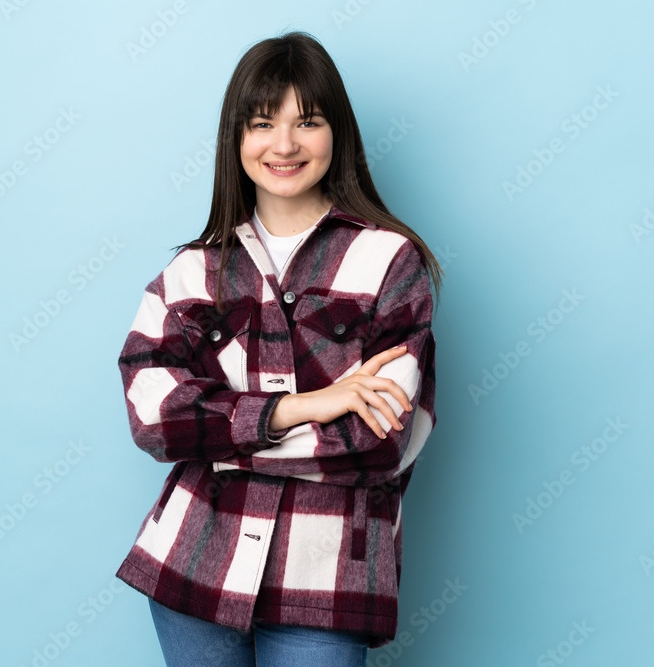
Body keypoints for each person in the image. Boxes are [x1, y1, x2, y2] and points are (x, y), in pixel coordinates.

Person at [115, 30, 443, 667]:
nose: (284, 145)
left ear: (337, 134)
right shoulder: (191, 271)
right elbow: (152, 420)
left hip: (325, 583)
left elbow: (380, 441)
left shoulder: (390, 262)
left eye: (307, 122)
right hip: (191, 569)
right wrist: (305, 406)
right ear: (236, 139)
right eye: (263, 123)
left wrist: (217, 439)